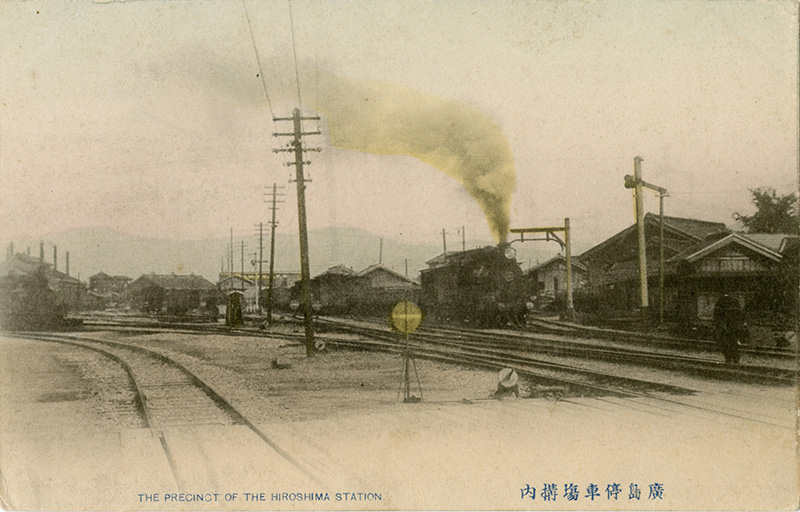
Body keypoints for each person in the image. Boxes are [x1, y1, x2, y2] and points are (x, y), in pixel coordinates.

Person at [713, 293, 745, 364]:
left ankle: (729, 358)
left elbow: (716, 316)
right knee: (733, 342)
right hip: (732, 326)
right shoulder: (735, 301)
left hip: (724, 327)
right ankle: (735, 358)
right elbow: (739, 315)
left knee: (725, 343)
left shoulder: (720, 301)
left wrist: (718, 325)